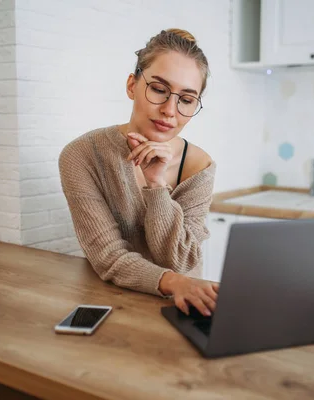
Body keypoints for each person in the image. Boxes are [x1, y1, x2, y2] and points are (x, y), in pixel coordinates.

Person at [58, 29, 218, 318]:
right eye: (158, 89)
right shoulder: (81, 155)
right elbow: (108, 257)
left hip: (183, 307)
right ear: (132, 85)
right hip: (116, 303)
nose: (170, 110)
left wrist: (156, 186)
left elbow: (181, 262)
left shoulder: (199, 166)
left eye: (186, 99)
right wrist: (172, 282)